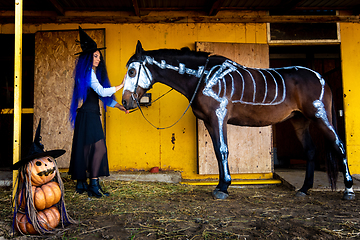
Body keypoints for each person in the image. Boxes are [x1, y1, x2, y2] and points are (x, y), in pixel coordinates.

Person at [69, 27, 128, 198]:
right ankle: (93, 184)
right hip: (88, 115)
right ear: (89, 57)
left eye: (99, 56)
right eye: (95, 56)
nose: (98, 59)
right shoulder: (87, 73)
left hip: (91, 114)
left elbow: (104, 98)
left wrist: (120, 106)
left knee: (90, 150)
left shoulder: (91, 73)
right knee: (99, 148)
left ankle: (90, 183)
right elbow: (102, 92)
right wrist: (121, 85)